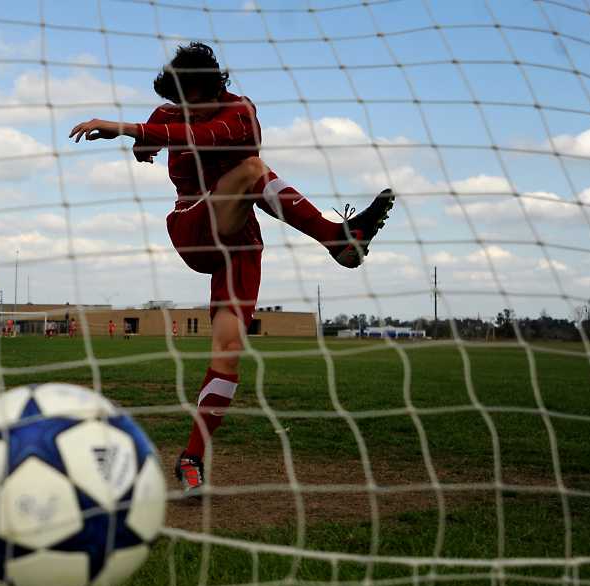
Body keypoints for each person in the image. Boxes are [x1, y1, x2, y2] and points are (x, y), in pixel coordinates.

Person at [69, 42, 394, 494]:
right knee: (252, 171)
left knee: (226, 353)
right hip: (194, 227)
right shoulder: (169, 115)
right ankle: (337, 239)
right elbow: (159, 133)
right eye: (179, 98)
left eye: (193, 96)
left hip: (241, 248)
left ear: (214, 86)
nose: (185, 106)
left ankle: (191, 458)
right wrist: (140, 144)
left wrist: (125, 129)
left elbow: (199, 138)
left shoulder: (240, 111)